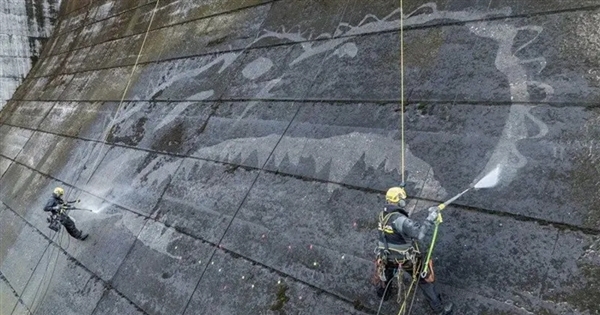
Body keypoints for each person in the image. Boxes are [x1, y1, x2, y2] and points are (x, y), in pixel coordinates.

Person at [375, 186, 452, 315]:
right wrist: (431, 218)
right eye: (403, 200)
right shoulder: (401, 220)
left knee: (386, 274)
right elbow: (419, 234)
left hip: (385, 256)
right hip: (405, 259)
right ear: (400, 201)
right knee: (423, 279)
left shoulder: (383, 215)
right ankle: (440, 310)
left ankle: (384, 294)